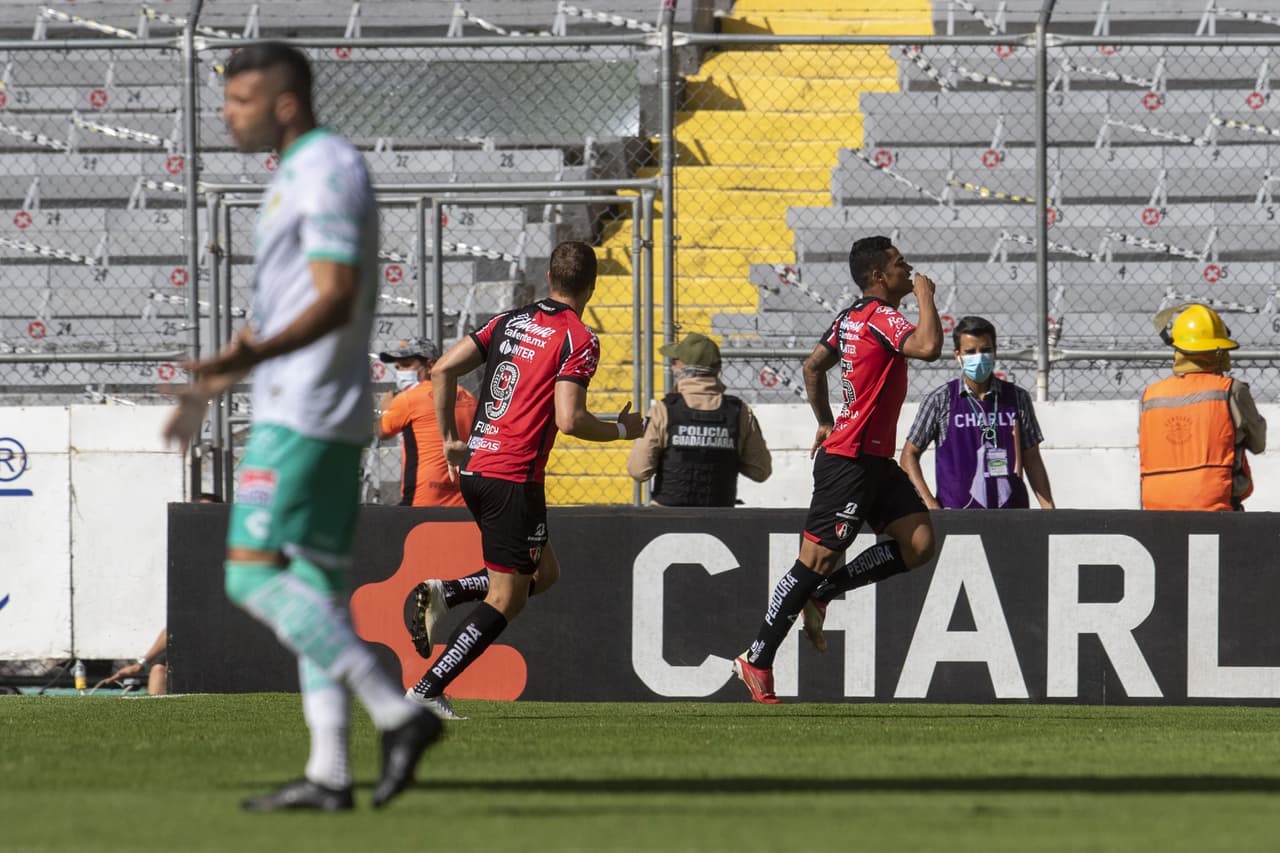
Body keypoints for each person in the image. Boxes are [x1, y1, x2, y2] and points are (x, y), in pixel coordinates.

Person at [161, 42, 440, 812]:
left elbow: (335, 295)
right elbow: (286, 309)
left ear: (284, 102)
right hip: (314, 405)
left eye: (240, 100)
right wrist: (214, 380)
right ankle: (329, 773)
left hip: (305, 411)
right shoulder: (296, 172)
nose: (226, 113)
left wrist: (250, 354)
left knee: (251, 574)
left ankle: (398, 711)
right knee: (313, 586)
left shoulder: (324, 168)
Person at [401, 240, 643, 719]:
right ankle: (427, 690)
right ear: (591, 287)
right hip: (513, 476)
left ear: (548, 278)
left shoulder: (509, 321)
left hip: (475, 468)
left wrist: (452, 437)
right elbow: (570, 419)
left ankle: (447, 593)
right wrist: (620, 429)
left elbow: (445, 368)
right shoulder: (579, 339)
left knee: (544, 574)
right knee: (507, 598)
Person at [733, 236, 943, 702]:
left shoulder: (850, 317)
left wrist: (826, 420)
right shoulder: (883, 316)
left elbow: (813, 367)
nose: (908, 269)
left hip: (873, 459)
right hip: (848, 462)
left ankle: (825, 591)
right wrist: (927, 297)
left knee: (920, 543)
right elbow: (928, 347)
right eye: (899, 263)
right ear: (878, 277)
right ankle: (757, 657)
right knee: (814, 560)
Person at [899, 315, 1055, 510]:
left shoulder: (1017, 398)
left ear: (995, 352)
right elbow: (908, 455)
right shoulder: (941, 399)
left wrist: (1048, 507)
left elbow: (1032, 457)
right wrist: (930, 504)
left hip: (1012, 512)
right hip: (957, 515)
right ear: (957, 355)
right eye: (970, 352)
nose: (979, 357)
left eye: (986, 350)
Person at [1140, 303, 1266, 511]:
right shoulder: (1231, 390)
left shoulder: (1151, 395)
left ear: (1178, 348)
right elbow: (1258, 443)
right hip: (1215, 504)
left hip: (1157, 507)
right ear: (1219, 351)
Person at [625, 332, 772, 506]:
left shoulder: (662, 411)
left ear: (682, 366)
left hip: (666, 519)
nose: (672, 366)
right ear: (717, 369)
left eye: (674, 361)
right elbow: (761, 471)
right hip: (721, 520)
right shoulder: (740, 412)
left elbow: (638, 470)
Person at [376, 338, 479, 507]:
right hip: (464, 498)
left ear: (431, 365)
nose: (400, 371)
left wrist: (385, 409)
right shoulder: (467, 396)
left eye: (407, 364)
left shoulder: (408, 399)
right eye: (397, 367)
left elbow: (382, 432)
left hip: (423, 498)